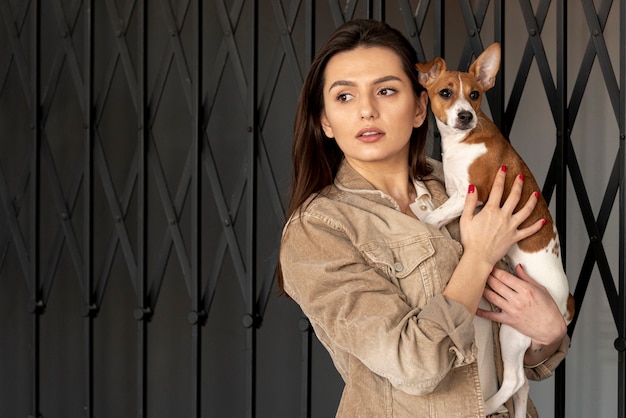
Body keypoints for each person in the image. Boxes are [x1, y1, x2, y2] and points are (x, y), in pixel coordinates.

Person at [277, 19, 569, 417]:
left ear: (418, 108)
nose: (367, 110)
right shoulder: (318, 229)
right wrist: (478, 257)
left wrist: (550, 332)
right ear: (325, 120)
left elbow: (524, 354)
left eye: (385, 90)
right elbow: (414, 365)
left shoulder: (460, 186)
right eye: (344, 96)